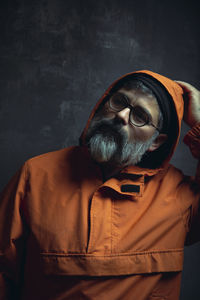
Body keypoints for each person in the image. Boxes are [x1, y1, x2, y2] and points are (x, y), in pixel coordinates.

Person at [0, 70, 199, 300]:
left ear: (156, 142)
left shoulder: (181, 196)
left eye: (141, 116)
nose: (122, 115)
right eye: (119, 101)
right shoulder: (35, 175)